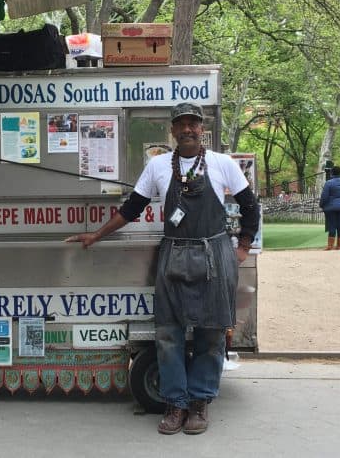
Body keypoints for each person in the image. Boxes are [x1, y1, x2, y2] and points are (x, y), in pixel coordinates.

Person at [65, 102, 259, 435]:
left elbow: (250, 205)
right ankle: (175, 404)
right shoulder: (157, 166)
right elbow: (132, 209)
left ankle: (199, 403)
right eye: (180, 124)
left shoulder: (222, 164)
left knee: (210, 335)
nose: (187, 129)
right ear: (172, 130)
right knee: (168, 335)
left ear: (202, 129)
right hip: (173, 255)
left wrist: (241, 247)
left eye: (193, 124)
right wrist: (96, 235)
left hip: (214, 254)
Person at [319, 165, 340, 251]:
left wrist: (321, 205)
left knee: (332, 225)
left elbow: (324, 196)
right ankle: (339, 246)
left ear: (332, 173)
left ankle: (330, 246)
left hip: (330, 207)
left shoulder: (328, 183)